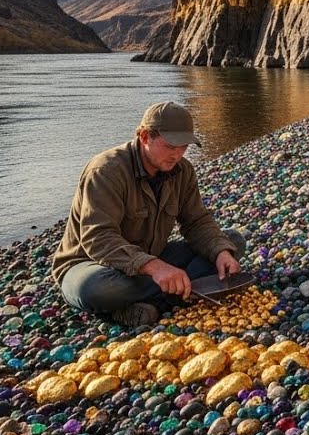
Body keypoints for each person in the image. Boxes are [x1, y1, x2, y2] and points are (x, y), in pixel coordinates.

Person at [51, 102, 246, 327]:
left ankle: (146, 302)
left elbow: (196, 222)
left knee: (232, 242)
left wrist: (220, 252)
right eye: (170, 146)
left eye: (184, 146)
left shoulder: (182, 170)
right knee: (96, 290)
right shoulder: (105, 171)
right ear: (145, 136)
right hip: (92, 264)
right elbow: (98, 238)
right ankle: (180, 292)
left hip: (150, 256)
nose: (177, 154)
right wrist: (156, 268)